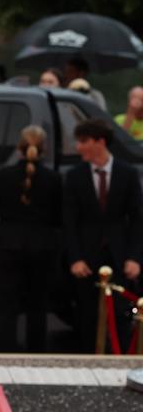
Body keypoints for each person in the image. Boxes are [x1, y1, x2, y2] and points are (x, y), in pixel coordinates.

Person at [0, 125, 62, 352]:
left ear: (19, 148)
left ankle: (6, 350)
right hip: (42, 245)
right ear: (43, 148)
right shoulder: (53, 179)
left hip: (8, 243)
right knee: (38, 304)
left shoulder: (3, 175)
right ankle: (37, 352)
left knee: (7, 305)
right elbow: (59, 216)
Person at [64, 118, 143, 352]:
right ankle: (90, 365)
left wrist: (134, 257)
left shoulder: (127, 174)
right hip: (87, 257)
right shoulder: (75, 176)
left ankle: (121, 365)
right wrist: (75, 258)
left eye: (84, 142)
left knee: (120, 314)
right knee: (87, 316)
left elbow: (138, 219)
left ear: (100, 142)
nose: (78, 147)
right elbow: (69, 221)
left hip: (118, 255)